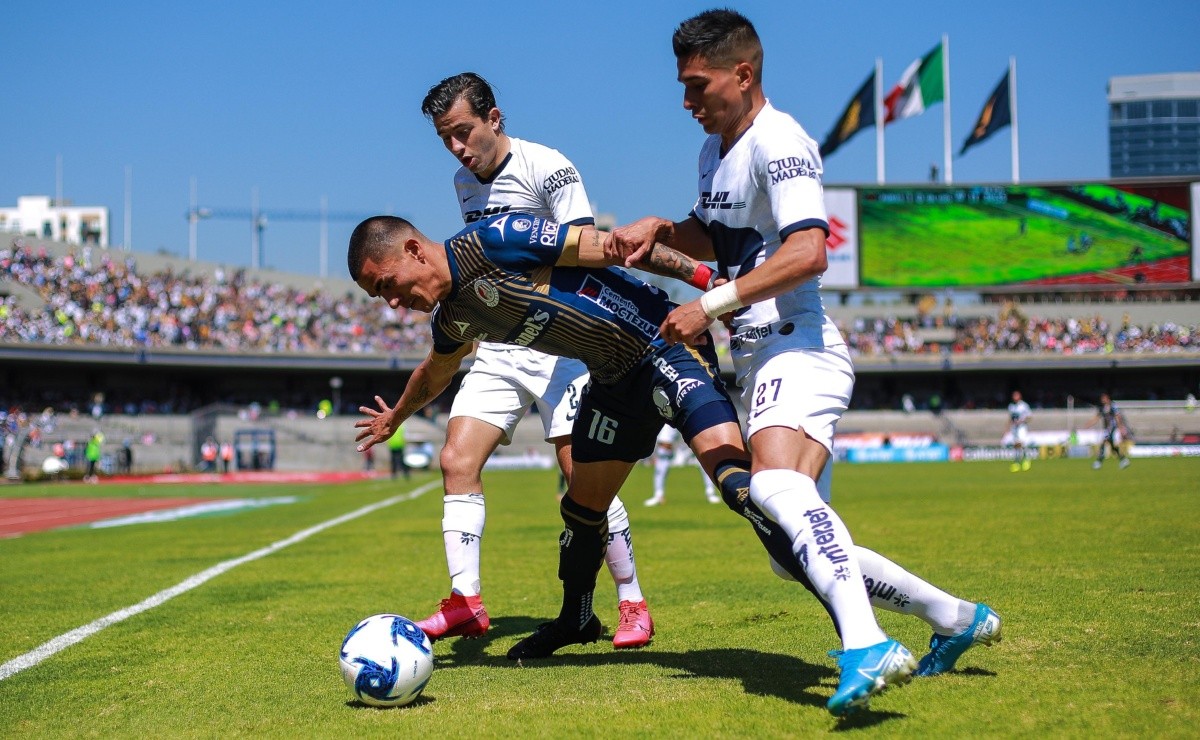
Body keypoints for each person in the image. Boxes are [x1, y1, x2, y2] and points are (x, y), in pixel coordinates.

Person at [607, 9, 1000, 715]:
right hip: (762, 359)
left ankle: (867, 645)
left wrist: (711, 306)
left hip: (799, 343)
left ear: (743, 73)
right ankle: (953, 617)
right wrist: (659, 229)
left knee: (777, 493)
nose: (686, 102)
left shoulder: (779, 139)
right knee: (791, 545)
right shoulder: (715, 151)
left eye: (697, 86)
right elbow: (717, 233)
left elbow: (807, 250)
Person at [411, 73, 654, 649]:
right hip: (499, 345)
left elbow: (583, 250)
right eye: (446, 138)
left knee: (581, 478)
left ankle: (631, 600)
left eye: (463, 132)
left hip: (560, 345)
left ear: (495, 117)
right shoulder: (462, 182)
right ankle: (465, 602)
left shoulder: (549, 167)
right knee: (455, 459)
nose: (457, 148)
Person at [644, 425, 719, 506]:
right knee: (664, 448)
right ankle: (659, 494)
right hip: (668, 415)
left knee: (702, 446)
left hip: (687, 413)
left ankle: (710, 492)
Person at [1086, 393, 1131, 470]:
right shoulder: (1103, 407)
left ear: (1108, 398)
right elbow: (1097, 417)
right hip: (1107, 428)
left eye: (1104, 398)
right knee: (1112, 446)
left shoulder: (1113, 406)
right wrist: (1089, 424)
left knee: (1104, 442)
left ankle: (1098, 462)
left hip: (1112, 427)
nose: (1102, 400)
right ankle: (1123, 459)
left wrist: (1120, 428)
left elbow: (1118, 417)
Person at [1005, 390, 1033, 472]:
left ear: (1019, 396)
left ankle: (1026, 460)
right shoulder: (1011, 406)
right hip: (1014, 428)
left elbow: (1029, 416)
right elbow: (1010, 418)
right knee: (1016, 445)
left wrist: (1021, 421)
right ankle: (1017, 462)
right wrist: (1007, 427)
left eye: (1016, 396)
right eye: (1014, 396)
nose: (1015, 397)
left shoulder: (1024, 405)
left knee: (1022, 444)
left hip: (1021, 427)